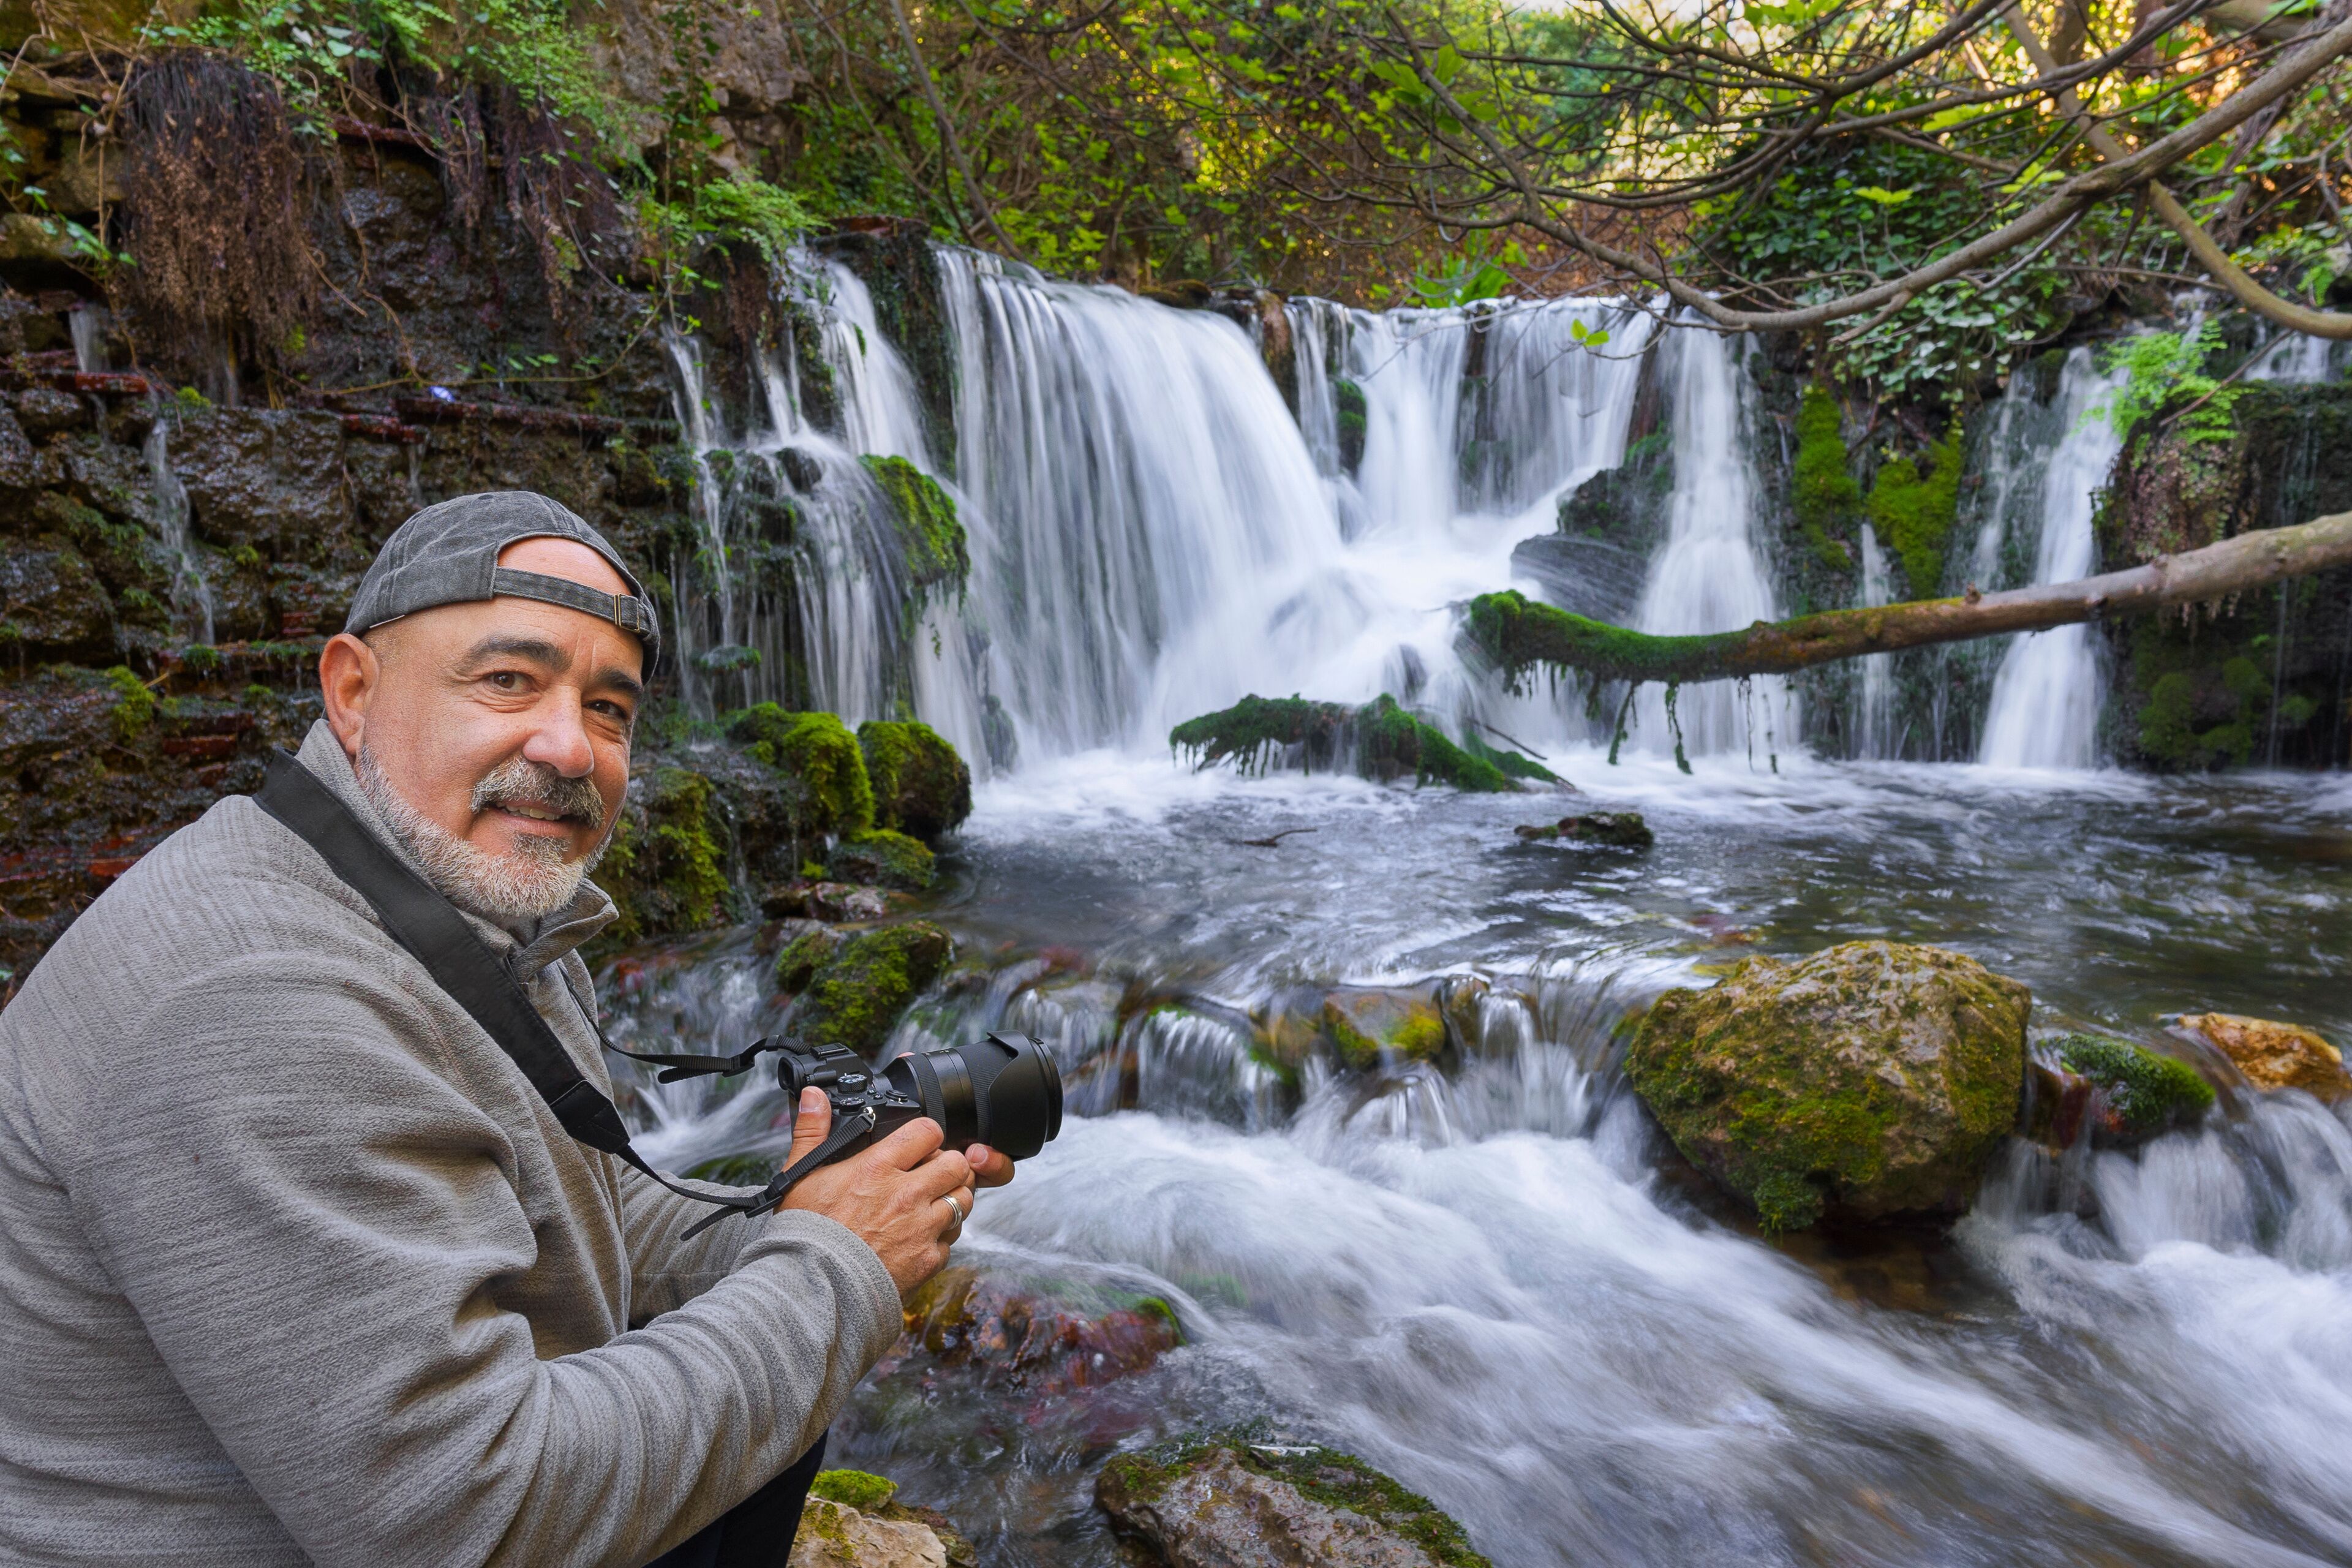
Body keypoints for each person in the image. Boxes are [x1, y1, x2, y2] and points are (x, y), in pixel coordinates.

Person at [0, 491, 1008, 1566]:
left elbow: (586, 1212)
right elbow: (466, 1521)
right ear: (353, 691)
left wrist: (819, 1208)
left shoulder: (449, 900)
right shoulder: (257, 1003)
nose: (570, 749)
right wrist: (830, 1269)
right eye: (508, 681)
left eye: (610, 708)